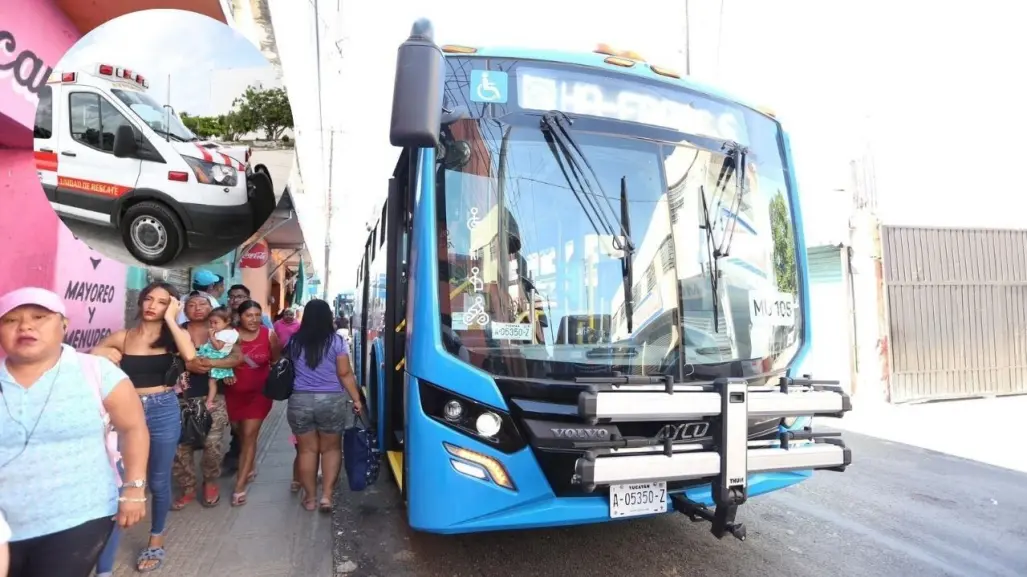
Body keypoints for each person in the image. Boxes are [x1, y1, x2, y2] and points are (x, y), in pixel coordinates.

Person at [0, 287, 149, 577]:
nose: (26, 326)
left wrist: (134, 488)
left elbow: (133, 429)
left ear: (64, 324)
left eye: (39, 316)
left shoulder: (96, 372)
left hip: (78, 516)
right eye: (10, 320)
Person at [90, 282, 198, 574]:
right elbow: (91, 359)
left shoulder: (175, 337)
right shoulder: (123, 338)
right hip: (126, 411)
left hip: (163, 408)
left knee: (159, 481)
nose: (152, 305)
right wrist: (100, 350)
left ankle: (156, 538)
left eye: (162, 302)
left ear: (171, 307)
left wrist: (172, 319)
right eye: (149, 299)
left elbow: (190, 357)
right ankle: (104, 562)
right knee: (118, 483)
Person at [286, 299, 363, 512]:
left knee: (306, 451)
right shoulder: (337, 341)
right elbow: (344, 373)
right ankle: (327, 497)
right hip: (331, 400)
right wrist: (356, 399)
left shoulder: (294, 342)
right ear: (328, 317)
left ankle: (309, 498)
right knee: (331, 449)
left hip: (299, 400)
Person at [171, 292, 241, 509]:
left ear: (212, 307)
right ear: (184, 309)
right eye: (191, 304)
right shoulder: (176, 332)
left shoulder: (224, 332)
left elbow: (237, 357)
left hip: (213, 396)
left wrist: (208, 363)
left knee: (212, 443)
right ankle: (188, 487)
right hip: (180, 397)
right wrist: (186, 363)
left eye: (202, 304)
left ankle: (210, 481)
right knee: (180, 446)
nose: (197, 308)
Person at [226, 300, 280, 506]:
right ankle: (250, 463)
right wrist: (227, 371)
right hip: (233, 394)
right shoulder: (229, 335)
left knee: (249, 435)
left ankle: (239, 486)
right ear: (240, 317)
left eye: (258, 315)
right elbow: (217, 358)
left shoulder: (269, 335)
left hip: (260, 394)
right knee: (240, 432)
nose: (254, 319)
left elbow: (275, 361)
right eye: (249, 315)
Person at [193, 306, 239, 409]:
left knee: (212, 381)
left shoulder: (225, 334)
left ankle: (209, 401)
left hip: (215, 355)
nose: (213, 325)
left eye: (215, 322)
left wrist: (211, 337)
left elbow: (218, 347)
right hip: (214, 354)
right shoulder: (232, 332)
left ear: (227, 321)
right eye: (211, 322)